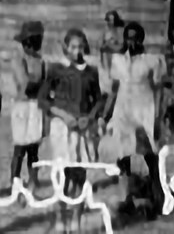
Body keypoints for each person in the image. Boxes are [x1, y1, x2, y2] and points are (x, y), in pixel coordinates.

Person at [98, 21, 167, 220]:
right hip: (122, 112)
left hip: (143, 112)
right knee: (123, 156)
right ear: (125, 38)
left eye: (136, 37)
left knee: (150, 157)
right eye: (129, 37)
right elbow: (113, 91)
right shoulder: (117, 60)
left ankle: (159, 198)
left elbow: (159, 89)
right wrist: (105, 115)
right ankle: (126, 197)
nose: (132, 40)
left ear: (141, 38)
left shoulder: (152, 60)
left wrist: (157, 115)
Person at [38, 29, 104, 233]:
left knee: (79, 174)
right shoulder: (56, 69)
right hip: (62, 127)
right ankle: (60, 217)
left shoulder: (91, 72)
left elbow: (99, 100)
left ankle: (76, 217)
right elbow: (42, 99)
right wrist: (62, 114)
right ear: (65, 47)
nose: (77, 51)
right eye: (73, 47)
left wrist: (90, 117)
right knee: (62, 174)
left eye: (80, 47)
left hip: (83, 128)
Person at [9, 20, 46, 196]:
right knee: (20, 148)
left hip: (35, 106)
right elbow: (25, 83)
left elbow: (44, 83)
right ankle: (14, 182)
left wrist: (40, 84)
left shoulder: (40, 60)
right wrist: (38, 83)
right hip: (22, 106)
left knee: (33, 147)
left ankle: (33, 181)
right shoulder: (18, 58)